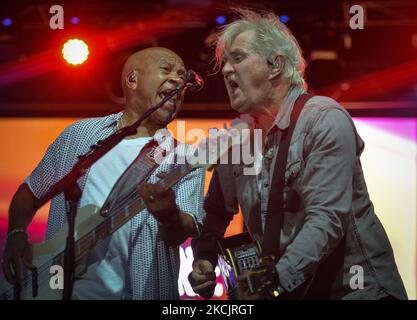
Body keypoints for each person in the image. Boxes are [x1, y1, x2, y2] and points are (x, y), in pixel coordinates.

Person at [188, 9, 407, 300]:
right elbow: (215, 211)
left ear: (275, 65)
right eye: (225, 61)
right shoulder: (240, 139)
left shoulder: (324, 119)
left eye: (238, 58)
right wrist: (205, 257)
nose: (226, 70)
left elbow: (327, 218)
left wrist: (272, 282)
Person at [2, 47, 205, 299]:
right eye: (166, 69)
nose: (178, 80)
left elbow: (186, 227)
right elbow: (30, 193)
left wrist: (169, 215)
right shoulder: (79, 136)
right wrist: (16, 233)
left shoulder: (183, 158)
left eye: (182, 75)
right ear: (132, 80)